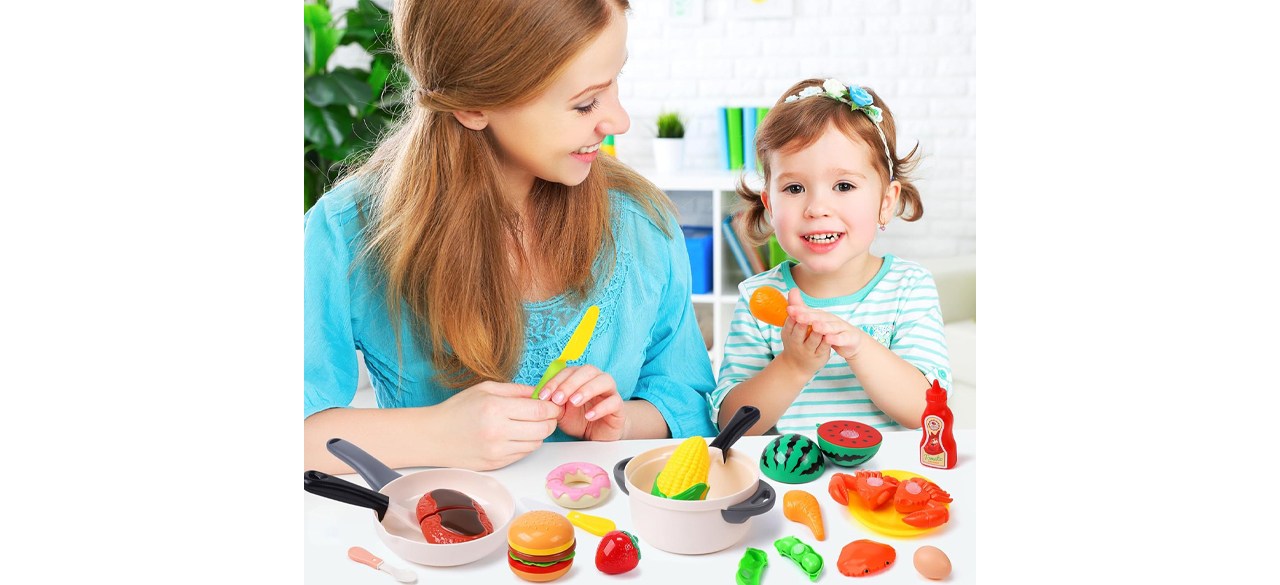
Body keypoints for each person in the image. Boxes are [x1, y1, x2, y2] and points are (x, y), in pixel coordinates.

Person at [304, 0, 716, 473]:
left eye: (615, 81)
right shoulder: (347, 234)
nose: (619, 121)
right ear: (473, 106)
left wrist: (620, 425)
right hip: (446, 536)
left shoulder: (642, 223)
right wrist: (436, 435)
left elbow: (686, 399)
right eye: (585, 103)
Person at [711, 78, 952, 436]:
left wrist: (859, 348)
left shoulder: (909, 288)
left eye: (844, 186)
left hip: (886, 483)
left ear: (886, 202)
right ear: (770, 205)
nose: (817, 208)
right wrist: (793, 365)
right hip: (788, 481)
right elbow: (730, 423)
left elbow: (928, 413)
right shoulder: (760, 298)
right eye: (794, 188)